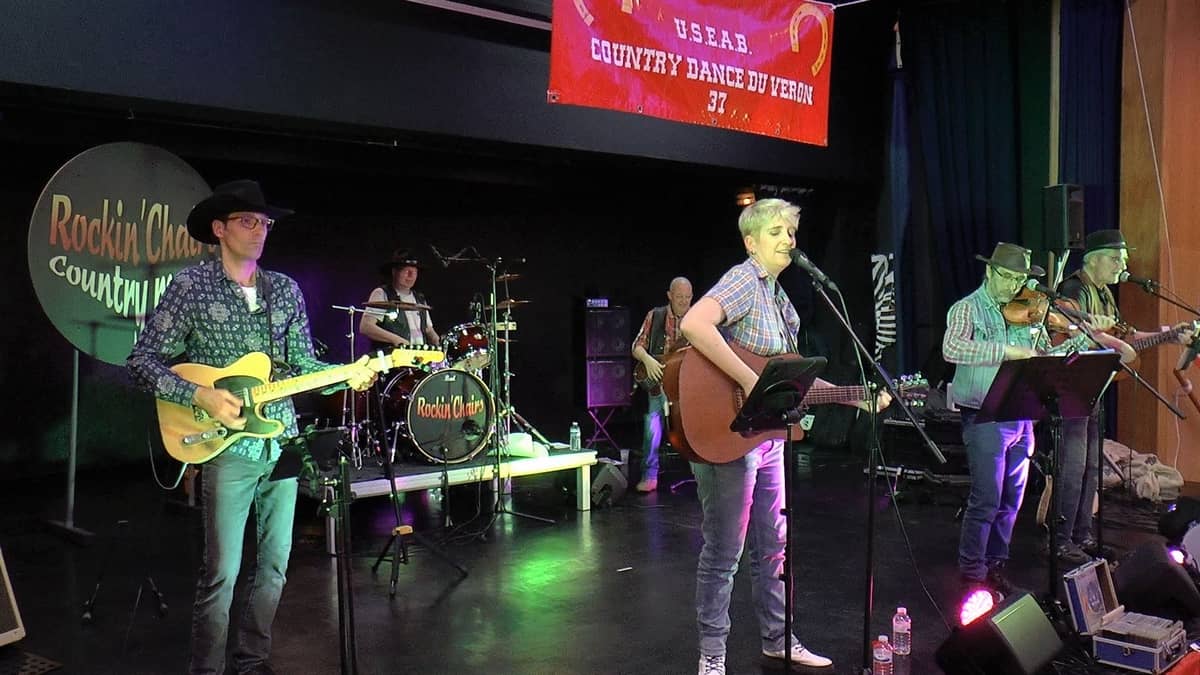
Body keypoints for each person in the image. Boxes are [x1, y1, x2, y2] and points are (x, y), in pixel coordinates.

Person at [127, 180, 377, 675]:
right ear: (219, 229)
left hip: (280, 441)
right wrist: (198, 394)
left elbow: (302, 364)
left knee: (277, 563)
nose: (260, 230)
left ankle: (252, 659)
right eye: (247, 221)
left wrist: (346, 377)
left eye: (265, 222)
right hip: (226, 446)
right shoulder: (191, 288)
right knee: (221, 571)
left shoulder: (284, 290)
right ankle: (207, 669)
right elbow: (140, 361)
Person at [679, 198, 889, 675]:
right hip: (731, 435)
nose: (788, 241)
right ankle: (712, 655)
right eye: (776, 231)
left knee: (773, 546)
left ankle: (778, 639)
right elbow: (695, 324)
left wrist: (851, 396)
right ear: (751, 242)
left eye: (791, 233)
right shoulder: (744, 280)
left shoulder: (780, 300)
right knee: (724, 552)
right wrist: (750, 382)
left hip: (769, 437)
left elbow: (791, 381)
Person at [942, 242, 1102, 597]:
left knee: (1012, 500)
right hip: (984, 415)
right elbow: (951, 348)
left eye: (1020, 278)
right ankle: (972, 570)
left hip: (1022, 415)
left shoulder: (1027, 311)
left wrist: (1069, 348)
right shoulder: (968, 309)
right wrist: (1006, 350)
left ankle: (996, 563)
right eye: (1008, 277)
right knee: (986, 498)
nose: (1015, 285)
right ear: (990, 272)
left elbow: (1042, 354)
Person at [1053, 229, 1192, 565]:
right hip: (1072, 390)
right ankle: (1059, 541)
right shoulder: (1074, 289)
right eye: (1116, 259)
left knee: (1091, 465)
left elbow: (1125, 335)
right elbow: (1072, 334)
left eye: (1124, 260)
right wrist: (1121, 346)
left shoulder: (1104, 294)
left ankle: (1081, 534)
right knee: (1073, 467)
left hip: (1093, 389)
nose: (1122, 266)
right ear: (1093, 259)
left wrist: (1171, 336)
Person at [631, 276, 693, 492]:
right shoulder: (655, 316)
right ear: (669, 295)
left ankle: (700, 472)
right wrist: (647, 360)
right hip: (659, 383)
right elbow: (636, 346)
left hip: (687, 384)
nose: (684, 302)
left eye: (688, 297)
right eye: (679, 297)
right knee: (653, 426)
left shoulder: (697, 319)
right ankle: (649, 475)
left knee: (693, 428)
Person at [360, 250, 439, 350]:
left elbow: (428, 329)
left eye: (414, 272)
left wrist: (438, 341)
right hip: (393, 357)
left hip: (418, 357)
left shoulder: (420, 298)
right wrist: (396, 339)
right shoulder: (382, 293)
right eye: (407, 271)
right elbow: (366, 327)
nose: (411, 276)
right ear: (394, 272)